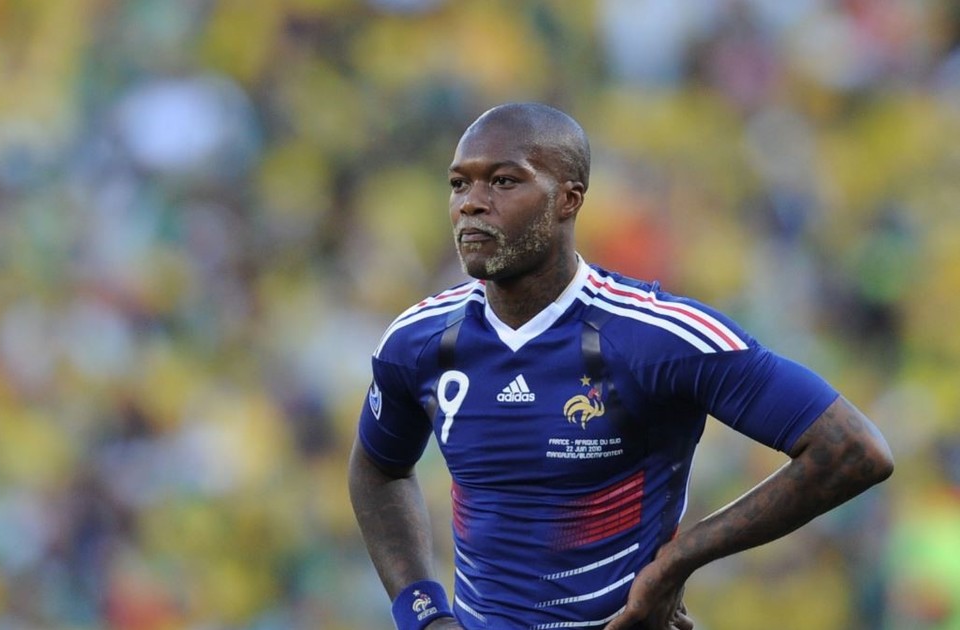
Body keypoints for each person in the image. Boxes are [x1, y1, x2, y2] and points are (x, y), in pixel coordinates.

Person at [347, 102, 894, 630]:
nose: (471, 203)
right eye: (459, 184)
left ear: (568, 199)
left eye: (504, 181)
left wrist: (680, 559)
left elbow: (851, 448)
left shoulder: (656, 336)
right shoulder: (419, 340)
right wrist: (423, 614)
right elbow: (378, 468)